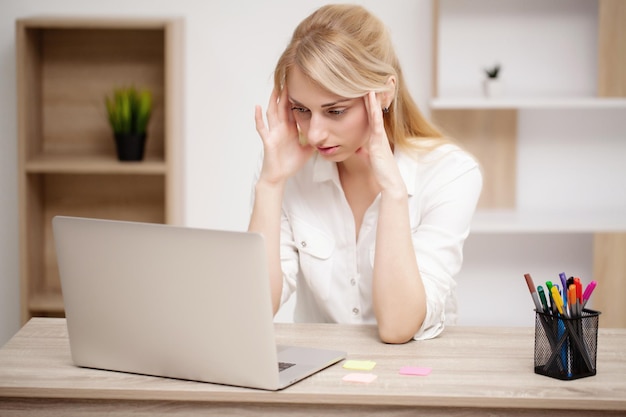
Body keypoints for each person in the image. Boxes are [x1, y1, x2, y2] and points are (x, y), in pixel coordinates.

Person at [249, 4, 482, 343]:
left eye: (335, 111)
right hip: (321, 373)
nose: (314, 134)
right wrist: (270, 185)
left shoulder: (450, 173)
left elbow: (399, 327)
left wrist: (393, 192)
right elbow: (255, 309)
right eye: (301, 110)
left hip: (420, 375)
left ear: (384, 95)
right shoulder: (284, 169)